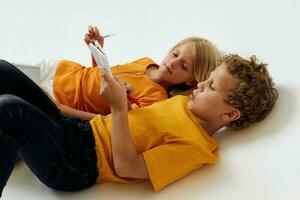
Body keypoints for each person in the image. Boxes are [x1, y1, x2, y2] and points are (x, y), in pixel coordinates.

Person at [0, 54, 278, 197]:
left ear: (230, 114)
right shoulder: (179, 105)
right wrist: (58, 111)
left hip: (77, 164)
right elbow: (105, 124)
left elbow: (126, 166)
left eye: (212, 86)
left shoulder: (196, 148)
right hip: (74, 130)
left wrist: (119, 107)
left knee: (11, 111)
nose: (201, 84)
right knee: (5, 71)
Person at [15, 25, 222, 120]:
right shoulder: (146, 61)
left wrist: (58, 109)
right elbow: (102, 76)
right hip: (60, 70)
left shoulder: (156, 99)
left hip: (59, 97)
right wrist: (97, 50)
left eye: (184, 66)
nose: (174, 62)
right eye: (175, 53)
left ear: (190, 82)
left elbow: (109, 122)